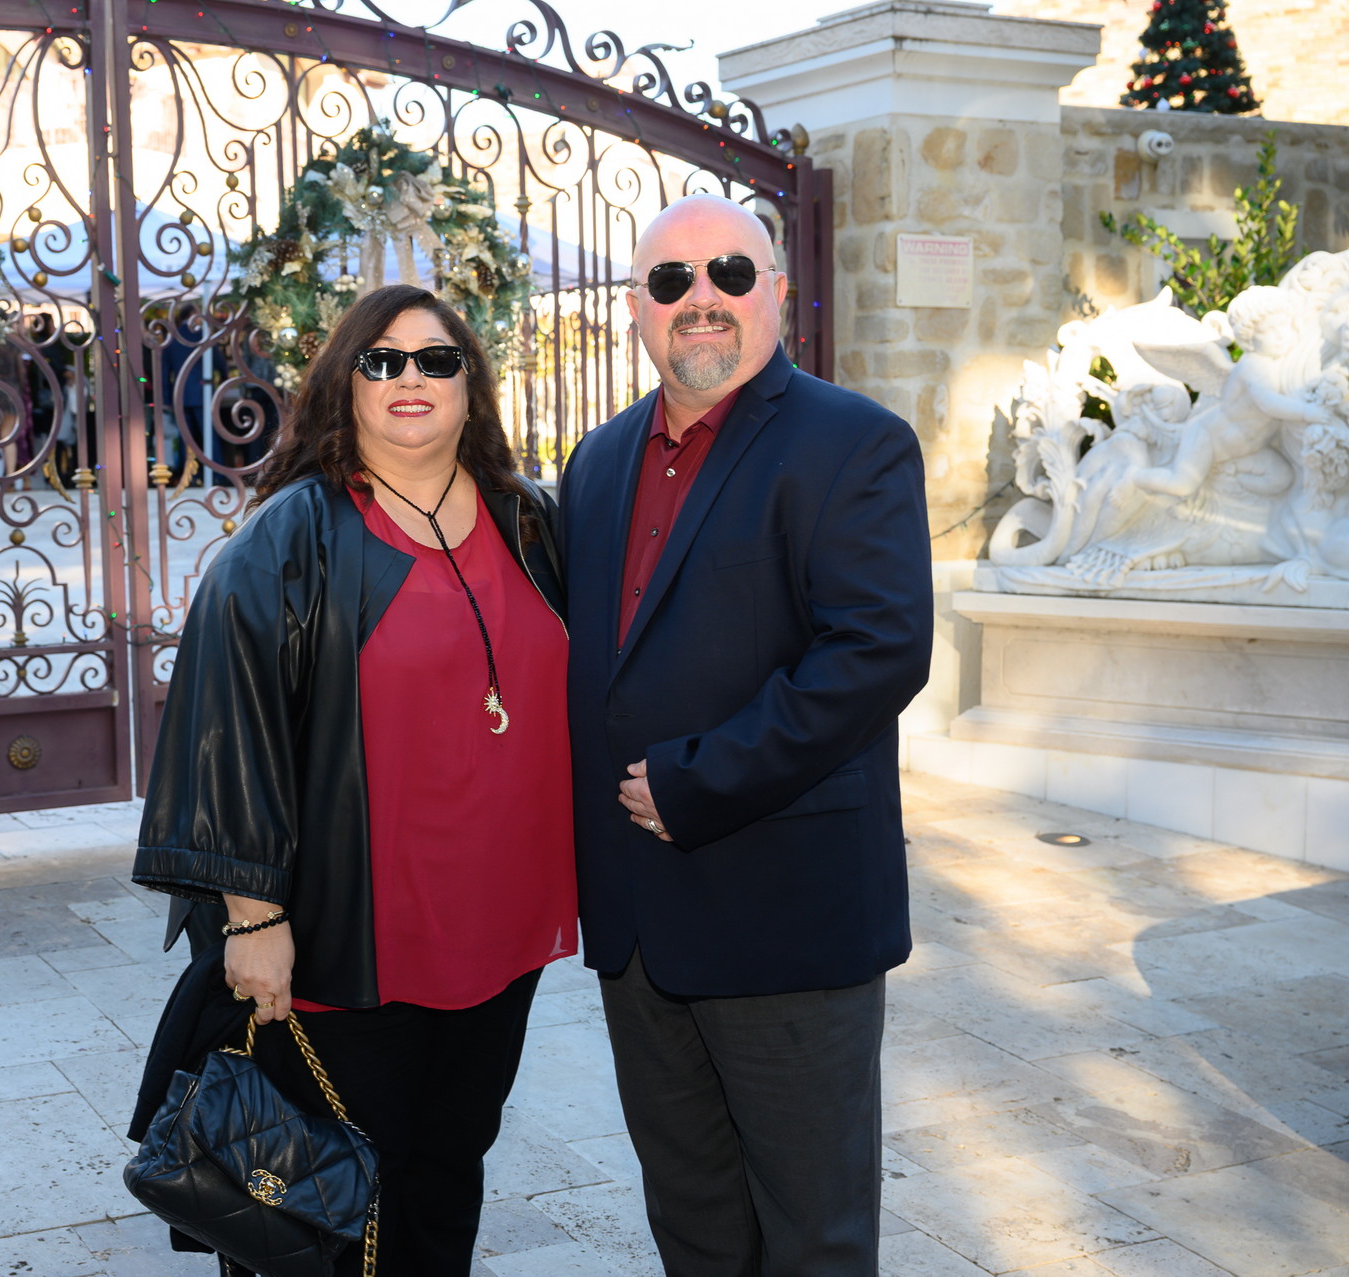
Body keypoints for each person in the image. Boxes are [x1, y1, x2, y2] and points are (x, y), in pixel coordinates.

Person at [133, 282, 575, 1276]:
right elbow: (225, 724)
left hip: (502, 930)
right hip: (353, 940)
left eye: (437, 359)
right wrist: (252, 916)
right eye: (383, 359)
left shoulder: (531, 521)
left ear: (472, 383)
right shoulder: (295, 536)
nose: (411, 377)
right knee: (326, 1198)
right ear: (346, 383)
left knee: (447, 1167)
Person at [557, 193, 932, 1275]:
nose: (702, 299)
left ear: (777, 291)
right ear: (636, 306)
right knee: (695, 1228)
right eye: (671, 280)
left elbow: (878, 650)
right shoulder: (597, 461)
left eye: (730, 272)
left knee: (813, 1239)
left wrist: (702, 779)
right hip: (639, 931)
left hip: (786, 920)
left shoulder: (853, 443)